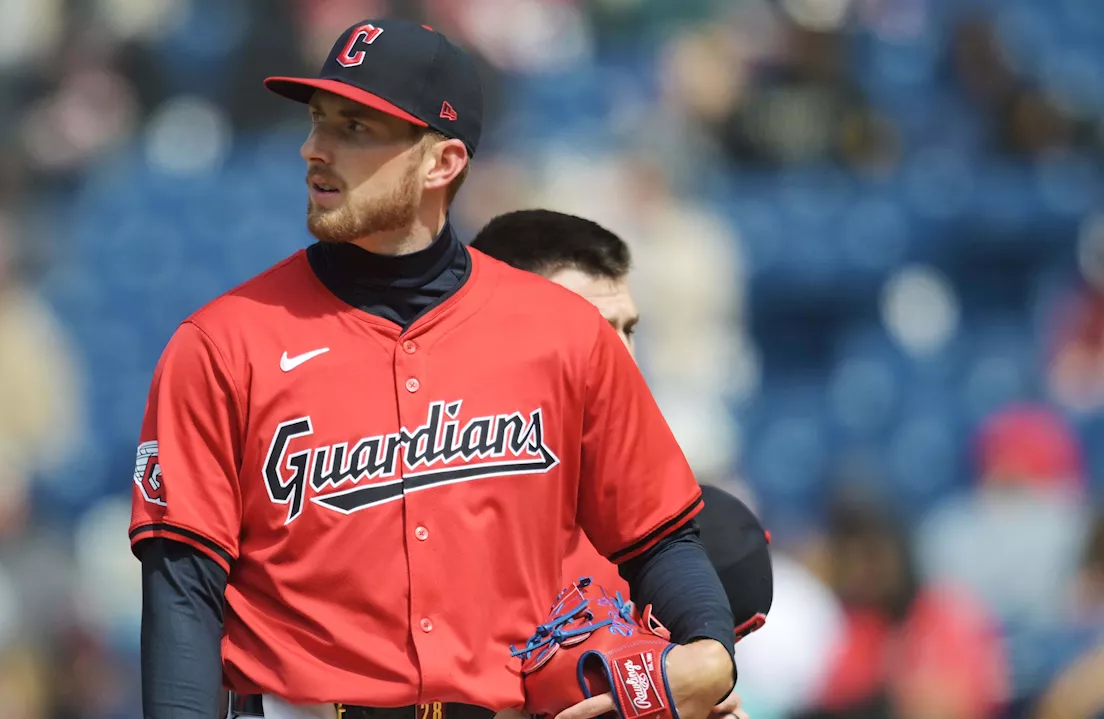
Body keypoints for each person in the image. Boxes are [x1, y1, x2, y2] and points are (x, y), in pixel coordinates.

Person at [130, 18, 737, 719]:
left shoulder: (564, 333)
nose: (314, 149)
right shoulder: (221, 344)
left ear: (442, 162)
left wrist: (709, 653)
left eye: (355, 129)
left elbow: (660, 535)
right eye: (319, 121)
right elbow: (183, 591)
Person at [470, 209, 774, 719]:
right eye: (589, 331)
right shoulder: (411, 513)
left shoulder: (685, 545)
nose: (620, 359)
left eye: (628, 329)